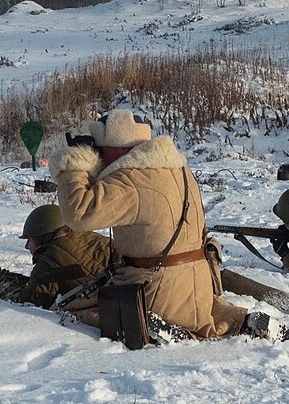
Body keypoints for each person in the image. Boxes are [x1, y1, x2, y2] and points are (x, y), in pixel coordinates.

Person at [49, 109, 273, 340]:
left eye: (99, 149)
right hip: (198, 285)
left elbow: (78, 214)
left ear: (117, 148)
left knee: (74, 311)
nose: (98, 157)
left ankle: (157, 327)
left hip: (157, 287)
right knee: (209, 315)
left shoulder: (131, 180)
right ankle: (242, 321)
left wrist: (75, 162)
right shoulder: (178, 169)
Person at [14, 204, 114, 309]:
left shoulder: (49, 259)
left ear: (42, 238)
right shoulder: (87, 236)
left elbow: (31, 301)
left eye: (29, 240)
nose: (26, 246)